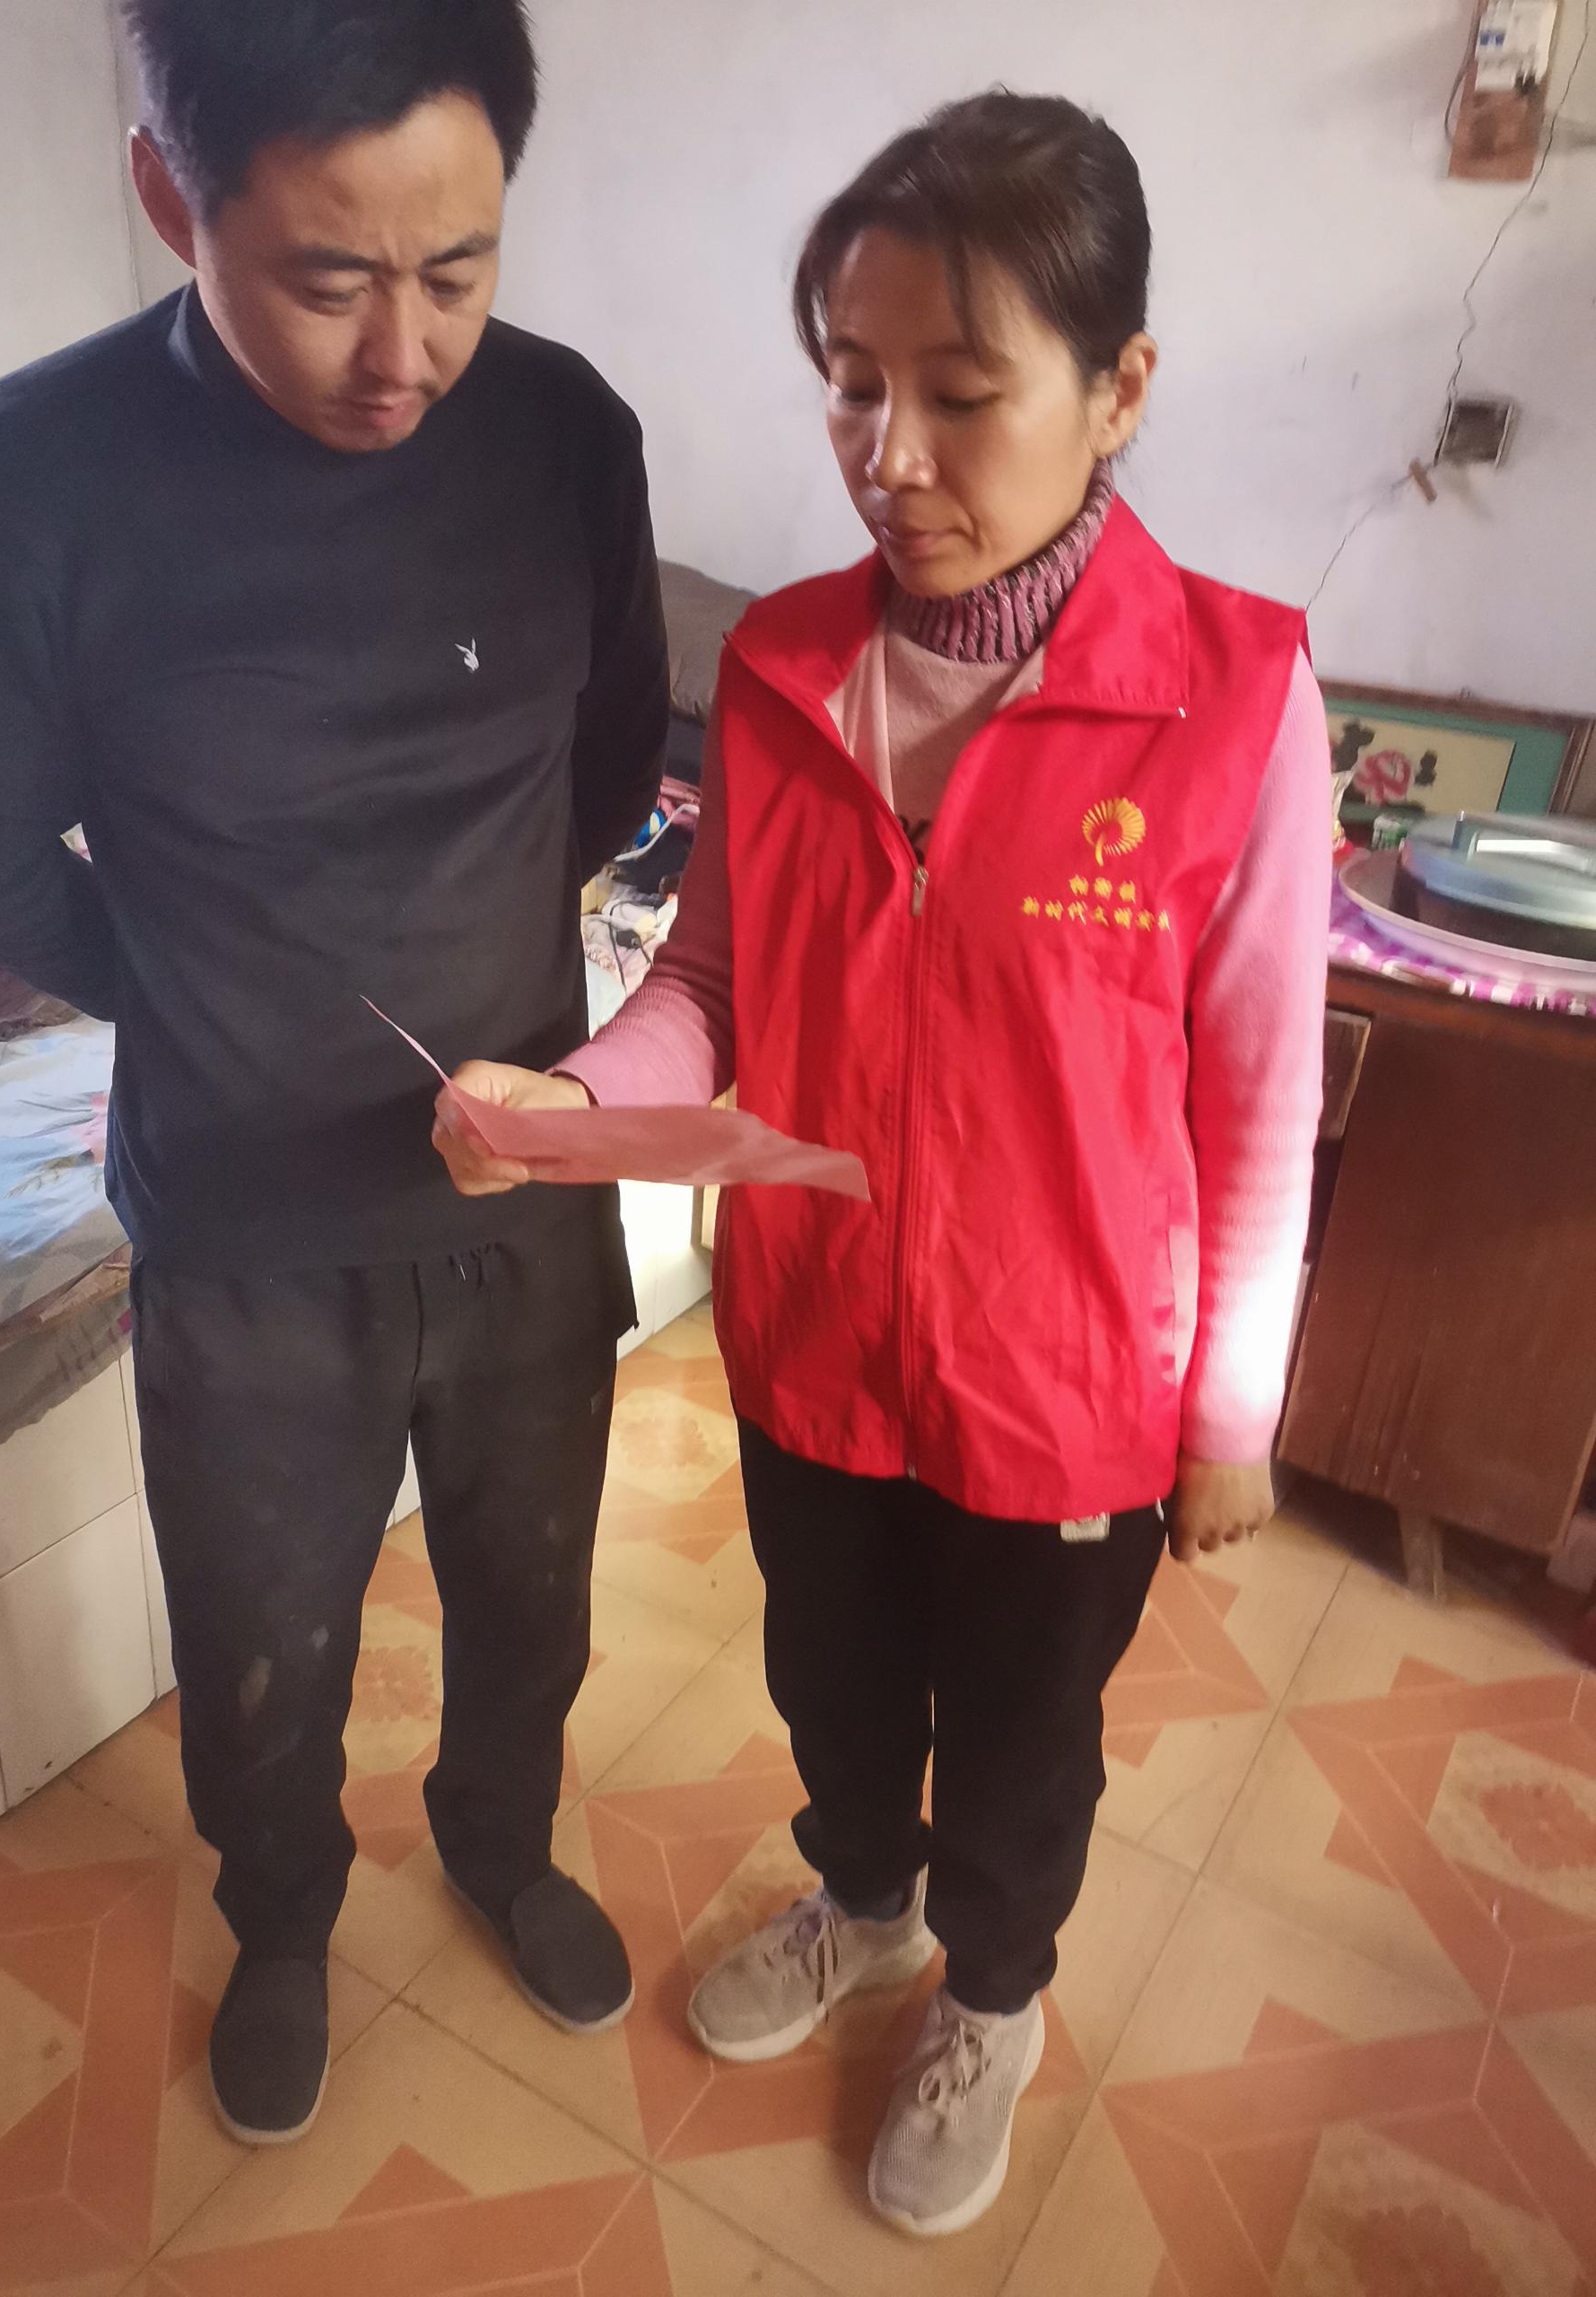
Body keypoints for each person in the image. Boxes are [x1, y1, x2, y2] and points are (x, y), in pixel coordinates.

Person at [437, 92, 1330, 2240]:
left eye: (960, 391)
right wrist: (580, 1104)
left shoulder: (1232, 694)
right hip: (820, 1337)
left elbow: (1259, 1089)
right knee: (834, 1685)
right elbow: (717, 982)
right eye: (851, 385)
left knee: (1023, 1740)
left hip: (1071, 1383)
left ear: (1117, 388)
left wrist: (1231, 1411)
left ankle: (991, 1993)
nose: (890, 453)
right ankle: (861, 1894)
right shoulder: (778, 667)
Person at [0, 0, 667, 2146]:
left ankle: (501, 1839)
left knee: (533, 1591)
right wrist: (184, 980)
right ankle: (289, 1917)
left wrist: (503, 998)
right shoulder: (35, 476)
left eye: (459, 269)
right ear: (172, 195)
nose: (403, 354)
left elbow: (611, 761)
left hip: (521, 1193)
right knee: (262, 1637)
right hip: (241, 1234)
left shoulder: (566, 435)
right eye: (329, 281)